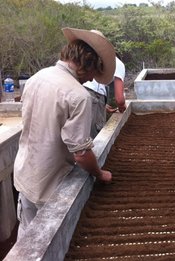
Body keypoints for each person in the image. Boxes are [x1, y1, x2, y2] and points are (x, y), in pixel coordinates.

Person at [13, 27, 116, 239]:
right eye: (92, 73)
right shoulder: (78, 95)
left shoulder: (37, 77)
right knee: (49, 243)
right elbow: (81, 153)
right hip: (51, 185)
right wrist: (100, 174)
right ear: (87, 63)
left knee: (26, 241)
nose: (90, 80)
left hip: (25, 176)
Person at [83, 55, 127, 138]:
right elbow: (120, 99)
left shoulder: (96, 57)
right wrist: (122, 107)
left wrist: (103, 105)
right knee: (94, 136)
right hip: (93, 94)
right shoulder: (119, 64)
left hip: (78, 89)